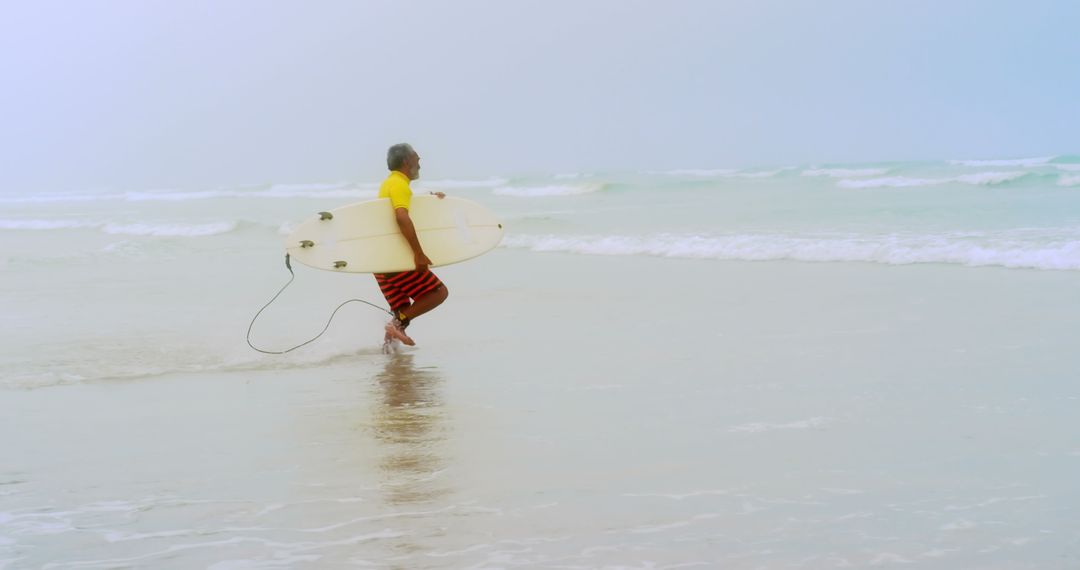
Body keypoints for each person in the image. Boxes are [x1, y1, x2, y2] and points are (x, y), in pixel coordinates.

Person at [375, 143, 448, 348]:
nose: (420, 161)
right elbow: (401, 217)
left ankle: (390, 357)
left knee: (402, 308)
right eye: (417, 157)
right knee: (438, 293)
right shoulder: (399, 185)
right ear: (407, 161)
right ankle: (397, 324)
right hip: (395, 260)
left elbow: (400, 209)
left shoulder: (391, 184)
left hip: (380, 261)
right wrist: (419, 254)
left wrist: (432, 200)